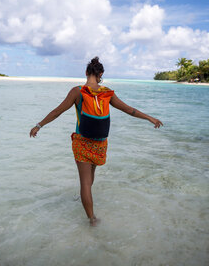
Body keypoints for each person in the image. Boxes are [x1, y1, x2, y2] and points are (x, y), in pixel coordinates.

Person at [30, 57, 163, 226]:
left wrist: (39, 125)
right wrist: (150, 118)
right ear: (100, 74)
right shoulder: (107, 93)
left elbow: (57, 112)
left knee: (84, 183)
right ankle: (87, 200)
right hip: (100, 143)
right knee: (90, 178)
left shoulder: (77, 91)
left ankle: (92, 219)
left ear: (86, 73)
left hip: (82, 141)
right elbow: (129, 110)